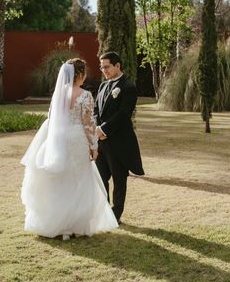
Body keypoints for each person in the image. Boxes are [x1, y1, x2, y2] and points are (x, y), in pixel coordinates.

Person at [20, 58, 118, 239]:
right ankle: (74, 225)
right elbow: (88, 123)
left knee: (60, 180)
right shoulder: (85, 95)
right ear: (80, 75)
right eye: (84, 73)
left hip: (58, 140)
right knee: (77, 180)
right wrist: (94, 146)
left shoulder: (59, 94)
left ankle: (59, 224)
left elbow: (52, 118)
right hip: (76, 139)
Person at [94, 52, 144, 224]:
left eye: (106, 67)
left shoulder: (128, 87)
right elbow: (95, 110)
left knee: (119, 181)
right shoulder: (102, 86)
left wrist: (104, 129)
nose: (103, 70)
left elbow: (124, 114)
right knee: (100, 179)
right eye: (101, 67)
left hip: (119, 142)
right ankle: (105, 211)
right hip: (101, 142)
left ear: (117, 66)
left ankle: (115, 216)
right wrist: (97, 128)